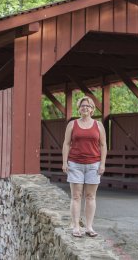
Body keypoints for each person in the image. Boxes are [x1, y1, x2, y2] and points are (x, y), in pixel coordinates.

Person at [62, 96, 107, 238]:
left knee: (90, 196)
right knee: (76, 196)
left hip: (94, 165)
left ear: (92, 109)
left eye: (88, 106)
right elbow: (66, 144)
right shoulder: (72, 124)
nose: (85, 108)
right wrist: (64, 162)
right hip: (75, 164)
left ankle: (89, 227)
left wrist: (103, 164)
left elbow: (103, 145)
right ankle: (76, 227)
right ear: (79, 109)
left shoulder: (98, 125)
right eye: (82, 106)